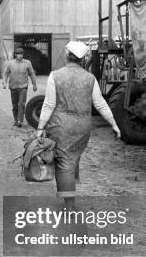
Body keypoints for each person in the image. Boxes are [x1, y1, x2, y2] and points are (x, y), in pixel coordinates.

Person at [35, 41, 121, 210]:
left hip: (60, 126)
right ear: (83, 59)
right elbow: (101, 104)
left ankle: (69, 205)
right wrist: (114, 124)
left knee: (64, 163)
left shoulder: (55, 75)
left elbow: (49, 104)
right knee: (72, 158)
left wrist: (40, 127)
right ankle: (70, 195)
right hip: (83, 127)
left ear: (67, 56)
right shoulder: (90, 78)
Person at [3, 47, 37, 127]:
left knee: (21, 103)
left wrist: (34, 84)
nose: (20, 56)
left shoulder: (27, 63)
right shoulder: (10, 63)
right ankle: (16, 119)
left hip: (23, 87)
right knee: (15, 105)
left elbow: (32, 73)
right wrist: (4, 83)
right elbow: (5, 74)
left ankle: (19, 120)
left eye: (21, 54)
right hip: (13, 87)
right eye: (18, 54)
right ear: (15, 55)